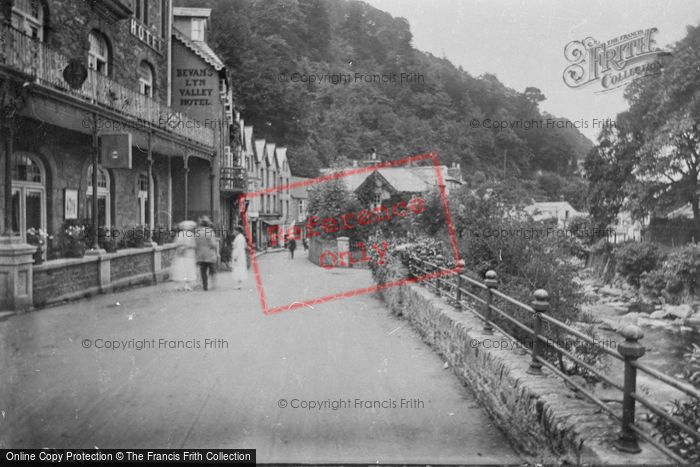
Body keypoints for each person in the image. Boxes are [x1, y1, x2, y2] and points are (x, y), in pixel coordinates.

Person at [194, 216, 219, 291]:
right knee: (213, 270)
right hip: (210, 254)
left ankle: (205, 286)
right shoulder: (209, 231)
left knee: (203, 271)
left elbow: (196, 243)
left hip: (201, 254)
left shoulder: (198, 232)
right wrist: (215, 247)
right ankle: (214, 285)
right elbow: (213, 244)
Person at [171, 220, 197, 291]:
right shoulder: (191, 234)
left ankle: (178, 286)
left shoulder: (179, 234)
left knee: (180, 270)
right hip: (189, 255)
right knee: (188, 270)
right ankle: (186, 285)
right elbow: (194, 244)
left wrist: (181, 246)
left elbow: (176, 243)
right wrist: (188, 246)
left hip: (180, 255)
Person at [231, 225, 248, 290]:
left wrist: (235, 256)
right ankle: (239, 284)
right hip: (240, 255)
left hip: (239, 256)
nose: (234, 232)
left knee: (239, 269)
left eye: (234, 230)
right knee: (239, 269)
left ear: (237, 231)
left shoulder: (239, 238)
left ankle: (239, 284)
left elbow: (238, 248)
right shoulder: (240, 237)